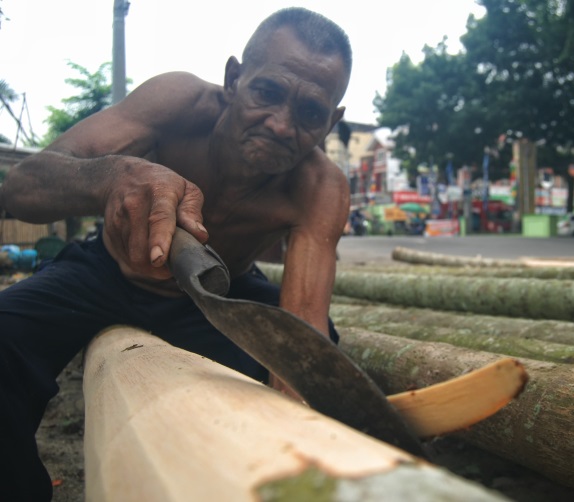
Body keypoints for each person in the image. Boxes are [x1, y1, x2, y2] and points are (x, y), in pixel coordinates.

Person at [0, 7, 352, 500]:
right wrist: (114, 176)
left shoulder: (320, 187)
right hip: (106, 273)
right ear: (234, 79)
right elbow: (22, 186)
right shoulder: (177, 102)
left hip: (216, 297)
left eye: (310, 113)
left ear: (331, 122)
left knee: (320, 358)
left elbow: (303, 329)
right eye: (267, 93)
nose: (279, 125)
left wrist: (296, 422)